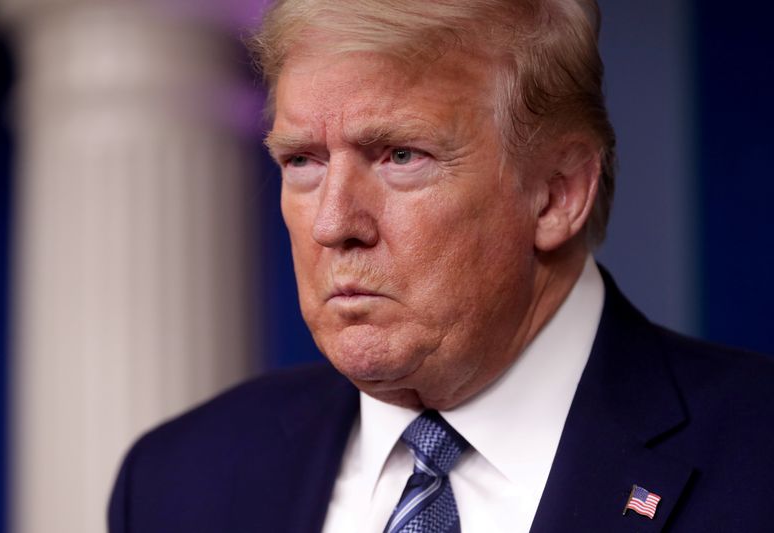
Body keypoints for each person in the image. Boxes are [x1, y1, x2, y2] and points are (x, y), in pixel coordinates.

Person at [108, 1, 774, 532]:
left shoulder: (757, 461)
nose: (334, 223)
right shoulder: (178, 480)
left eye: (401, 155)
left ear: (558, 192)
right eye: (303, 161)